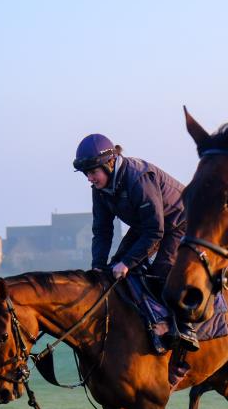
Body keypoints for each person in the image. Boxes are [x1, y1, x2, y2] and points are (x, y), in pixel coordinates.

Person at [73, 133, 198, 352]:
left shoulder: (138, 179)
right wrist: (98, 266)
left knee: (160, 271)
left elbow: (156, 231)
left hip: (180, 222)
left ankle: (185, 326)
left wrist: (128, 263)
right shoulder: (100, 190)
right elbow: (102, 231)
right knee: (113, 269)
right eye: (86, 174)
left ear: (110, 164)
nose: (90, 179)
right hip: (148, 226)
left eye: (93, 172)